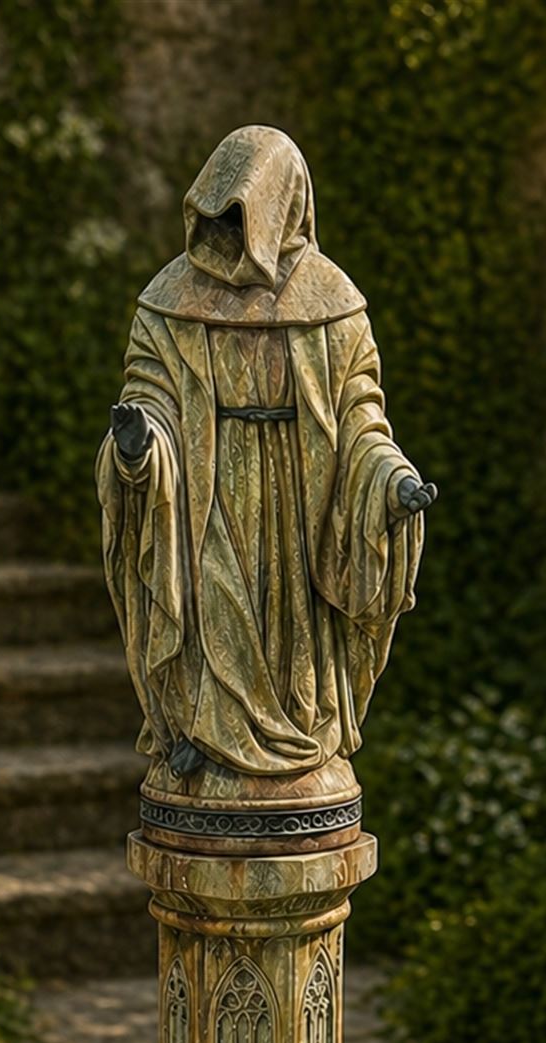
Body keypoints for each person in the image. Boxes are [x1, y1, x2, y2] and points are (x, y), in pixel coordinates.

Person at [97, 125, 434, 781]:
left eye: (240, 217)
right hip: (206, 492)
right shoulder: (169, 301)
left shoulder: (334, 303)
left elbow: (361, 415)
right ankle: (204, 731)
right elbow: (149, 396)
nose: (227, 234)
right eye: (217, 217)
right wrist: (140, 446)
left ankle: (302, 734)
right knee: (215, 611)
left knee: (293, 642)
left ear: (284, 208)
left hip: (303, 500)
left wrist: (389, 478)